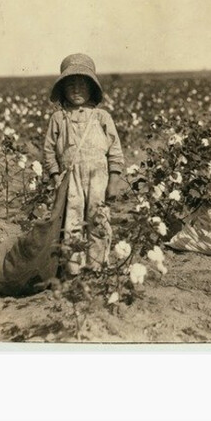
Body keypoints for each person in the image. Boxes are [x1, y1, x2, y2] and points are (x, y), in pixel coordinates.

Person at [43, 53, 125, 274]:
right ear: (62, 90)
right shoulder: (58, 119)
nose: (76, 90)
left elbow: (115, 150)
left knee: (98, 220)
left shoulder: (101, 117)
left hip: (98, 177)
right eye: (71, 85)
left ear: (92, 88)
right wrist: (54, 176)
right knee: (71, 222)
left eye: (82, 84)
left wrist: (114, 180)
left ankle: (97, 267)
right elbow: (49, 150)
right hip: (70, 180)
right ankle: (73, 271)